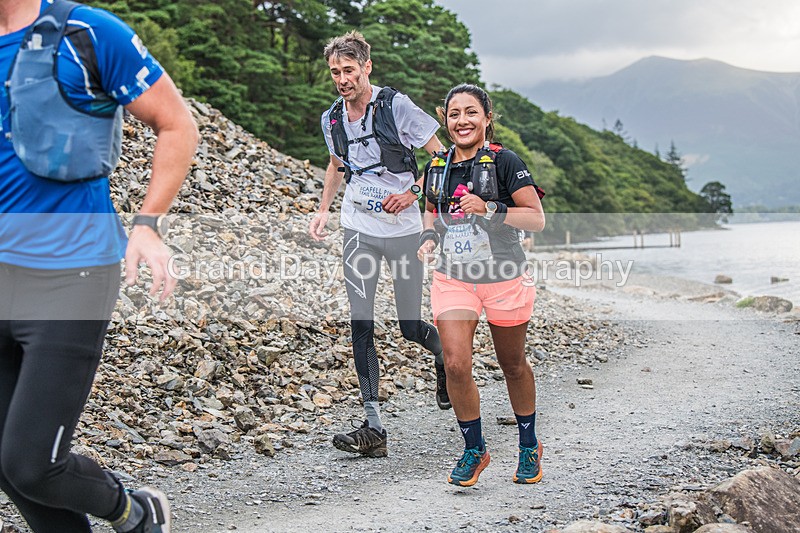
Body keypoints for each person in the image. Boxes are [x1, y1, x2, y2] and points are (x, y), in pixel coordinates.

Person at [0, 1, 197, 531]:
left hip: (71, 274)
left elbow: (177, 124)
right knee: (7, 462)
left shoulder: (87, 33)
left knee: (33, 464)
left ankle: (133, 509)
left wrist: (147, 224)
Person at [309, 30, 449, 458]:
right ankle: (374, 427)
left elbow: (441, 156)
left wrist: (412, 194)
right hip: (358, 228)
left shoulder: (396, 107)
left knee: (409, 326)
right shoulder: (332, 119)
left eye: (349, 70)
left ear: (367, 67)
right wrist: (322, 209)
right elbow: (336, 165)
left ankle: (443, 356)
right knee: (361, 321)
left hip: (404, 230)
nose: (342, 79)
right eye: (335, 72)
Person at [416, 84, 546, 486]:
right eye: (454, 114)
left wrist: (491, 208)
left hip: (504, 277)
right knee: (455, 363)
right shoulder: (436, 167)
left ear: (487, 118)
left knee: (511, 364)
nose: (462, 121)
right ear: (445, 119)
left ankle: (529, 445)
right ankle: (474, 448)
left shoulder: (506, 161)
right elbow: (430, 212)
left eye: (471, 113)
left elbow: (536, 218)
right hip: (455, 278)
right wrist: (427, 238)